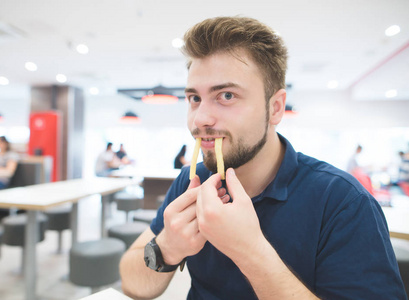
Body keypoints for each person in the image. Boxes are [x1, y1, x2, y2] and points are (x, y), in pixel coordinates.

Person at [119, 16, 406, 299]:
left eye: (227, 96)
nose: (200, 118)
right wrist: (167, 247)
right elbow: (132, 283)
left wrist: (251, 251)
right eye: (195, 98)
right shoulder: (193, 180)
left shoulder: (343, 202)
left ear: (276, 108)